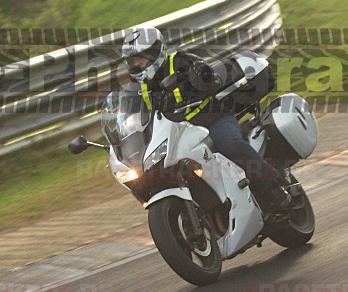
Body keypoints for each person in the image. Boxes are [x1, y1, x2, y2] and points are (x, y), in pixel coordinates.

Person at [121, 26, 292, 211]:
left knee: (230, 143)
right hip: (180, 136)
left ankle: (273, 185)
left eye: (140, 59)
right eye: (132, 61)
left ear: (155, 53)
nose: (136, 65)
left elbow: (212, 79)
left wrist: (203, 77)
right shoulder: (137, 89)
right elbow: (134, 118)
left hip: (213, 120)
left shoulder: (179, 62)